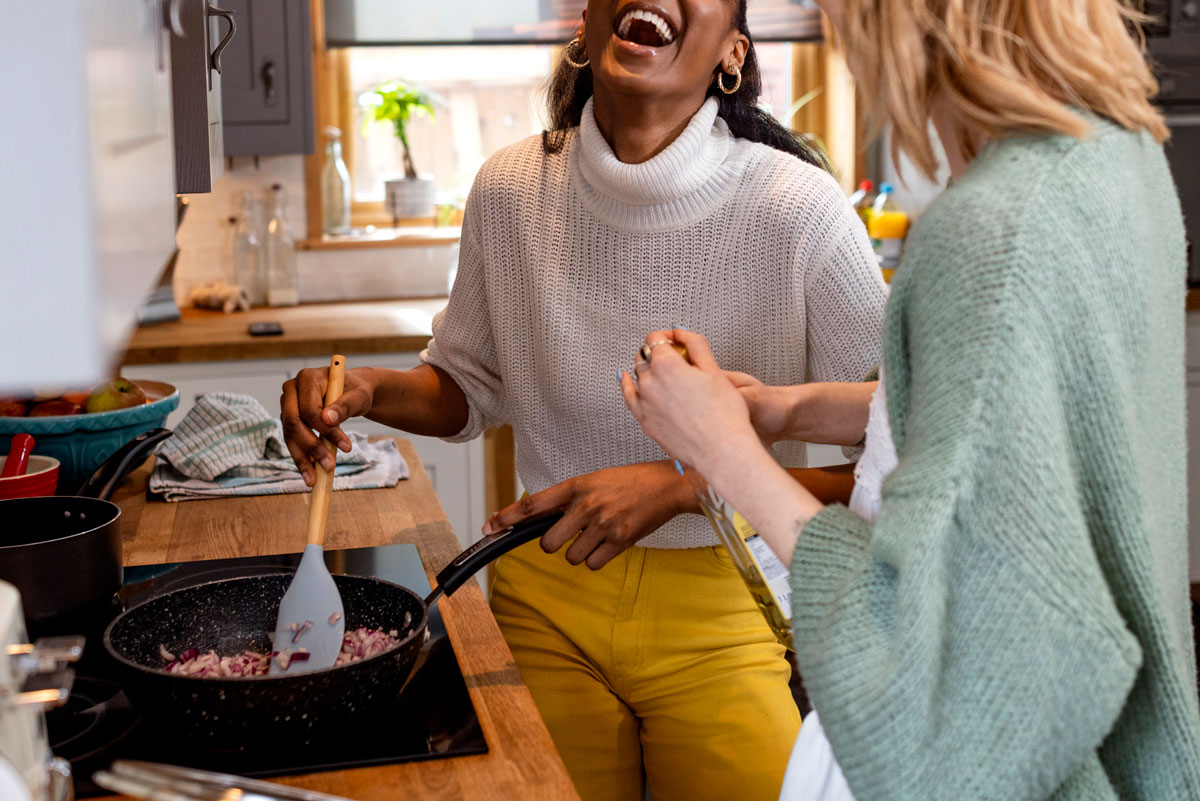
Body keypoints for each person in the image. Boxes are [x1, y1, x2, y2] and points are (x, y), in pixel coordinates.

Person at [280, 1, 889, 798]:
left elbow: (888, 465)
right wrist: (367, 389)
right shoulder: (509, 190)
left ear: (732, 52)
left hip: (725, 608)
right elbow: (468, 387)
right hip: (543, 592)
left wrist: (678, 489)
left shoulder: (800, 210)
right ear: (586, 22)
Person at [622, 0, 1200, 798]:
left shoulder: (992, 234)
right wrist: (786, 411)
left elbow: (938, 718)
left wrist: (725, 454)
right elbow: (1002, 426)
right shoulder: (1118, 154)